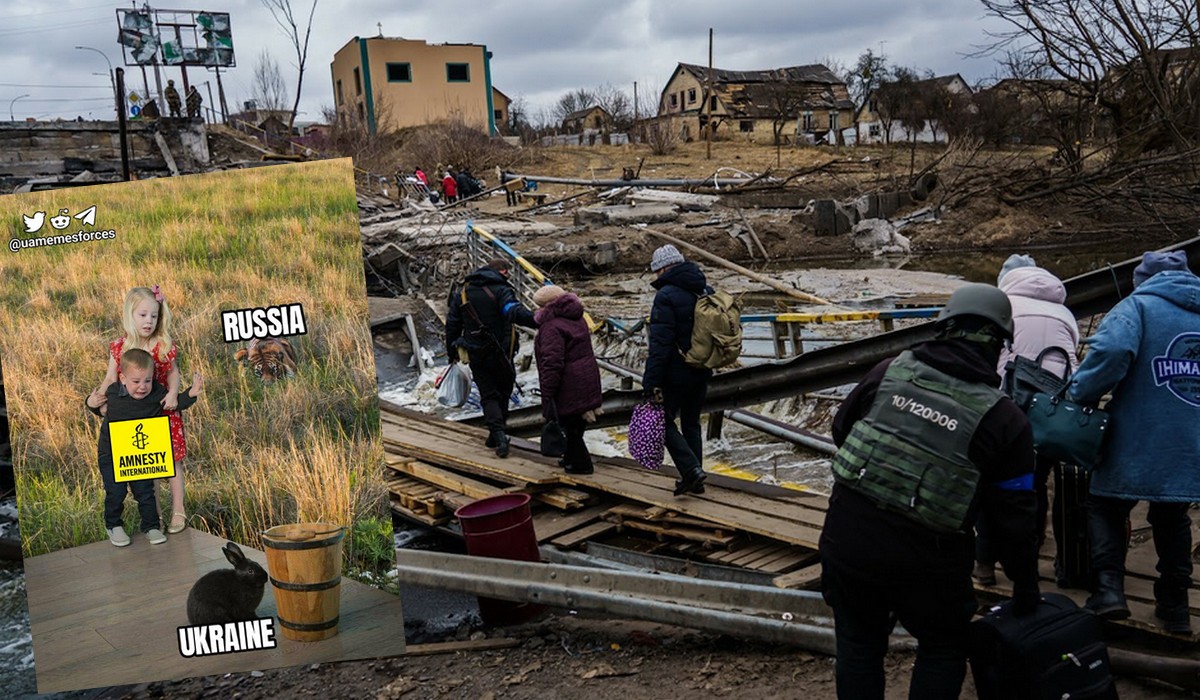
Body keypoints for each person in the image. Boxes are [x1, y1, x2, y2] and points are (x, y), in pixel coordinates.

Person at [819, 283, 1040, 700]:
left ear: (943, 329)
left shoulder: (887, 370)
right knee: (943, 647)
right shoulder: (1006, 420)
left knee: (859, 644)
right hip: (930, 560)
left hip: (848, 538)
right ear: (1000, 345)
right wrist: (1025, 586)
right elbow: (1015, 516)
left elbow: (841, 430)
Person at [1069, 250, 1200, 634]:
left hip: (1137, 433)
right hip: (1189, 439)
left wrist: (1081, 393)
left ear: (1142, 280)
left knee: (1105, 505)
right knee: (1173, 514)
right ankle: (1175, 607)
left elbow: (1109, 352)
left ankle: (1109, 591)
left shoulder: (1136, 308)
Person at [974, 254, 1082, 587]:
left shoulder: (1001, 305)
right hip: (1052, 413)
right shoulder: (1064, 312)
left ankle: (984, 564)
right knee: (1035, 485)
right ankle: (1029, 559)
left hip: (1007, 410)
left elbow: (988, 361)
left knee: (992, 483)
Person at [92, 286, 191, 534]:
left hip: (162, 411)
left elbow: (173, 372)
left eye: (154, 316)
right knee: (149, 467)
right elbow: (110, 378)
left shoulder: (162, 344)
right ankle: (154, 516)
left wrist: (172, 393)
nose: (149, 321)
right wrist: (97, 399)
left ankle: (178, 511)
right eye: (143, 315)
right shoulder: (119, 347)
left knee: (172, 463)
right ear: (130, 315)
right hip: (134, 417)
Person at [86, 349, 203, 547]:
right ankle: (113, 525)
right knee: (116, 491)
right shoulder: (114, 392)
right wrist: (91, 401)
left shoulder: (156, 392)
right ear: (122, 378)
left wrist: (190, 393)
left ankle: (151, 526)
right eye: (136, 381)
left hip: (140, 454)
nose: (142, 387)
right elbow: (96, 406)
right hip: (111, 453)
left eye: (147, 381)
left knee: (145, 492)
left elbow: (174, 404)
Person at [445, 258, 538, 457]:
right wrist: (538, 320)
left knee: (488, 394)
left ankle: (495, 434)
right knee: (504, 391)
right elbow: (511, 311)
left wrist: (451, 353)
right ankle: (499, 432)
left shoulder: (463, 292)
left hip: (475, 352)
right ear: (503, 271)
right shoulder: (501, 290)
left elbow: (452, 324)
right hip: (502, 351)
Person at [642, 244, 712, 496]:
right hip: (702, 367)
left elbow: (660, 344)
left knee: (662, 421)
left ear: (662, 268)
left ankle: (691, 470)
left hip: (675, 372)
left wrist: (650, 381)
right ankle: (697, 480)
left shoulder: (666, 296)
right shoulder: (705, 290)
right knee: (691, 423)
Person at [532, 285, 602, 475]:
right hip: (587, 376)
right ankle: (571, 459)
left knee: (569, 426)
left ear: (546, 307)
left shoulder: (551, 327)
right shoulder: (577, 318)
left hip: (569, 382)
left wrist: (547, 391)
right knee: (577, 425)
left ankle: (581, 466)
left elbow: (552, 362)